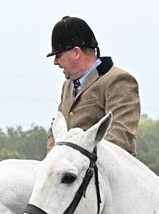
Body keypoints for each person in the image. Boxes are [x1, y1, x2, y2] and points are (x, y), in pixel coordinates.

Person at [46, 16, 141, 156]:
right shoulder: (67, 86)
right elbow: (55, 131)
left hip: (104, 173)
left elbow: (120, 137)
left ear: (76, 53)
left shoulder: (118, 80)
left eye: (58, 55)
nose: (55, 62)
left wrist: (80, 162)